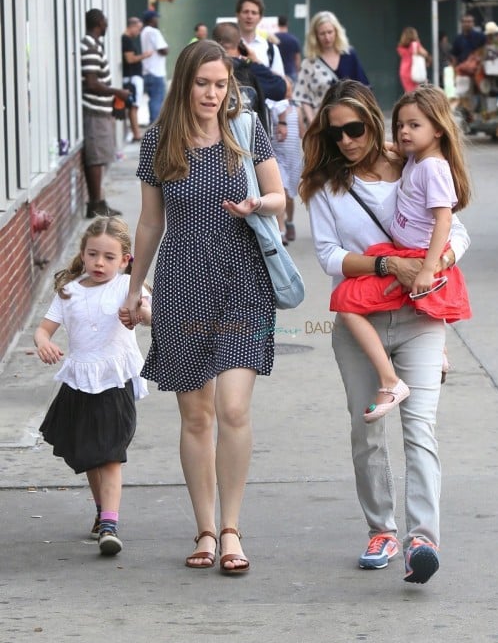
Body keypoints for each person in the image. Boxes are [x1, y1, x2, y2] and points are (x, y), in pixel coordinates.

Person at [120, 40, 285, 575]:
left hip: (244, 280)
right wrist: (133, 287)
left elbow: (282, 195)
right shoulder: (159, 141)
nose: (213, 93)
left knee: (233, 408)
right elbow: (149, 222)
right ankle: (206, 529)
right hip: (183, 283)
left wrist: (258, 203)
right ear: (185, 82)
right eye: (203, 83)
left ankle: (233, 527)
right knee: (197, 415)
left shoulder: (246, 130)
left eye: (221, 84)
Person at [299, 79, 470, 585]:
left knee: (419, 430)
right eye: (335, 135)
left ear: (373, 122)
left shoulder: (414, 164)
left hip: (420, 318)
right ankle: (382, 530)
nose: (346, 141)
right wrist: (386, 265)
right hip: (361, 320)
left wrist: (436, 265)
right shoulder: (327, 186)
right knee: (367, 430)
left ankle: (422, 538)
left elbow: (454, 229)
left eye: (354, 129)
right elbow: (329, 256)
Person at [330, 83, 471, 423]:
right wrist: (378, 144)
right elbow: (391, 147)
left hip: (417, 252)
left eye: (414, 125)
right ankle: (435, 353)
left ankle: (391, 381)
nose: (404, 132)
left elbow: (445, 221)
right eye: (401, 125)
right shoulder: (415, 159)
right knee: (364, 281)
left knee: (346, 302)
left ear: (438, 128)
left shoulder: (432, 167)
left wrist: (428, 267)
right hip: (398, 249)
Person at [34, 217, 151, 556]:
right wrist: (43, 342)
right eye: (93, 254)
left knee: (111, 453)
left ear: (125, 259)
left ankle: (110, 525)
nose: (100, 263)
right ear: (83, 255)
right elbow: (43, 329)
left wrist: (141, 313)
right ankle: (102, 513)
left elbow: (151, 313)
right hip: (80, 381)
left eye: (109, 257)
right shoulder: (68, 291)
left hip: (115, 381)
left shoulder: (128, 287)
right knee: (91, 454)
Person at [81, 9, 130, 219]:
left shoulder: (94, 45)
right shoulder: (90, 47)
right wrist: (116, 92)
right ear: (100, 22)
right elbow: (91, 83)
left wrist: (113, 101)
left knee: (100, 157)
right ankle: (95, 204)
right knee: (96, 157)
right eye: (106, 21)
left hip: (101, 109)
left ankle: (100, 202)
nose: (107, 24)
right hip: (94, 110)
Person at [293, 11, 369, 128]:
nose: (327, 37)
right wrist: (313, 124)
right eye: (322, 34)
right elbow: (303, 97)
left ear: (336, 32)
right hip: (321, 122)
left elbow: (363, 86)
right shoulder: (310, 62)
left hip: (350, 119)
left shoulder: (349, 54)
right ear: (315, 36)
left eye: (330, 32)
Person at [212, 21, 286, 134]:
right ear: (240, 43)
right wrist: (256, 61)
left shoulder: (205, 69)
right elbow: (283, 89)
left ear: (213, 43)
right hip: (251, 141)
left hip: (215, 137)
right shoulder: (252, 69)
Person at [268, 76, 305, 244]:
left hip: (294, 159)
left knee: (290, 196)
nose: (286, 91)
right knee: (281, 191)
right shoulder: (271, 108)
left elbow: (302, 133)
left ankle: (289, 222)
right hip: (278, 157)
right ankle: (281, 229)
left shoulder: (296, 110)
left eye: (289, 88)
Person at [235, 0, 285, 76]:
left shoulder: (271, 49)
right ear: (237, 15)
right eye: (245, 12)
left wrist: (257, 63)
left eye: (254, 13)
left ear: (260, 18)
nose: (249, 16)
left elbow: (280, 81)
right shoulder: (227, 46)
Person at [121, 17, 153, 142]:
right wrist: (145, 55)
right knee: (134, 106)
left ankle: (135, 132)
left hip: (132, 77)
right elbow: (130, 59)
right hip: (132, 78)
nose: (139, 32)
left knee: (133, 106)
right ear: (132, 26)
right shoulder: (126, 40)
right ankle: (136, 134)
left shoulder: (126, 39)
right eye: (138, 29)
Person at [140, 10, 169, 124]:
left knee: (153, 99)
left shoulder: (143, 32)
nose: (157, 20)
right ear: (151, 19)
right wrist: (167, 48)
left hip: (147, 71)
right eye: (156, 18)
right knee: (157, 100)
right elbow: (164, 50)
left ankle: (153, 123)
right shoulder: (153, 31)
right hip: (156, 72)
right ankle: (156, 126)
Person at [396, 27, 431, 93]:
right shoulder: (415, 45)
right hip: (415, 71)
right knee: (418, 93)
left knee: (408, 94)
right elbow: (425, 53)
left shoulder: (401, 47)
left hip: (404, 71)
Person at [275, 15, 302, 82]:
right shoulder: (293, 39)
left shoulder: (272, 39)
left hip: (275, 73)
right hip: (291, 72)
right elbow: (297, 58)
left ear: (278, 24)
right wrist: (298, 71)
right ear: (287, 24)